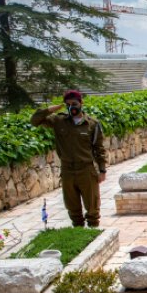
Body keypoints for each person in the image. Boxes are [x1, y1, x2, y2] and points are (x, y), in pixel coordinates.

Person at [31, 90, 107, 227]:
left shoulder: (92, 124)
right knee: (73, 208)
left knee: (93, 207)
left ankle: (93, 230)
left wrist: (102, 170)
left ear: (81, 103)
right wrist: (50, 109)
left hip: (86, 170)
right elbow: (34, 121)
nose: (72, 107)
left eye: (74, 103)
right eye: (68, 104)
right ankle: (78, 232)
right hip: (68, 171)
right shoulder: (59, 121)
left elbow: (99, 149)